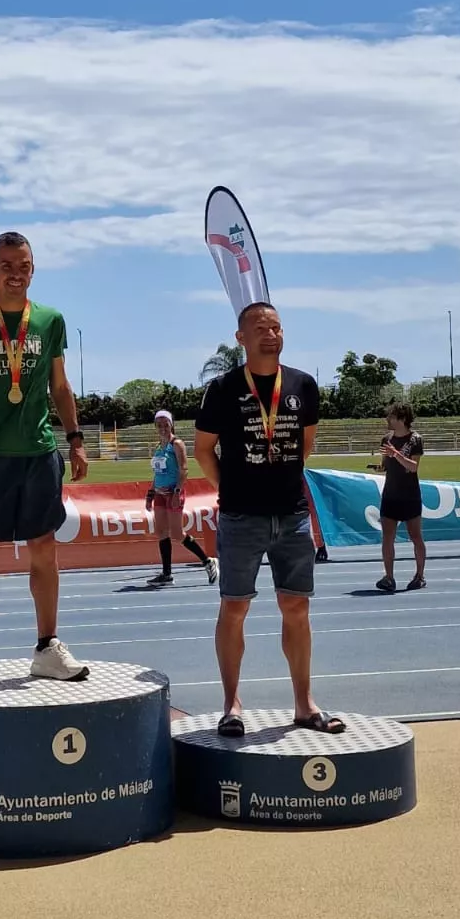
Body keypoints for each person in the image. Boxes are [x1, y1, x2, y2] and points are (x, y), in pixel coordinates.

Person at [0, 231, 90, 688]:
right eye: (6, 266)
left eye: (23, 266)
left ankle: (47, 647)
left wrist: (76, 438)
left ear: (33, 270)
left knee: (44, 546)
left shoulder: (50, 320)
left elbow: (60, 386)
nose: (15, 274)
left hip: (39, 451)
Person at [193, 301, 344, 736]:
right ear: (241, 338)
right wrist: (231, 488)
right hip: (241, 516)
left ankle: (304, 704)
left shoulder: (302, 384)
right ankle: (231, 704)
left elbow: (305, 445)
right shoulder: (222, 389)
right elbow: (203, 450)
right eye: (260, 328)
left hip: (292, 515)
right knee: (234, 606)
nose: (271, 334)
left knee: (296, 607)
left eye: (276, 327)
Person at [145, 409, 219, 588]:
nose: (162, 428)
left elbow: (184, 469)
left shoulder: (176, 444)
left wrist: (177, 492)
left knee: (177, 533)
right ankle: (167, 574)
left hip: (173, 492)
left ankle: (207, 561)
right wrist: (151, 493)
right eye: (159, 425)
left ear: (171, 425)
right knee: (161, 532)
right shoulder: (159, 447)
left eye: (166, 424)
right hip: (160, 493)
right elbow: (158, 473)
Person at [376, 402, 426, 592]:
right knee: (387, 537)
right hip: (390, 493)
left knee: (415, 536)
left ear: (402, 419)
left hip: (410, 495)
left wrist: (395, 454)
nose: (388, 420)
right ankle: (389, 577)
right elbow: (386, 464)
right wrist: (380, 466)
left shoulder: (415, 439)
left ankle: (419, 576)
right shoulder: (387, 439)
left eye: (392, 417)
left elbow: (413, 467)